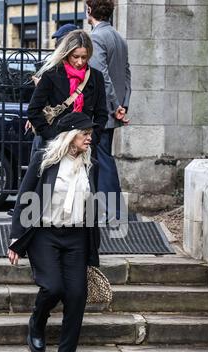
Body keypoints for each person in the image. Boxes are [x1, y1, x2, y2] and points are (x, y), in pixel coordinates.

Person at [8, 112, 100, 352]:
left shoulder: (88, 164)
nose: (89, 138)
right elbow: (25, 198)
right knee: (52, 286)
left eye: (90, 134)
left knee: (77, 295)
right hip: (45, 234)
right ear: (71, 135)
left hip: (76, 238)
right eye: (85, 133)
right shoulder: (45, 160)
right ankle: (37, 321)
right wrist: (16, 238)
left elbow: (92, 205)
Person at [27, 29, 108, 157]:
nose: (80, 62)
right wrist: (52, 137)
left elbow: (101, 113)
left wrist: (92, 139)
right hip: (56, 146)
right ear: (67, 54)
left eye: (84, 57)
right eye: (75, 57)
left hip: (84, 148)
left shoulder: (96, 77)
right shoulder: (51, 75)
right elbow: (33, 110)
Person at [86, 0, 131, 222]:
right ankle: (109, 211)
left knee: (101, 160)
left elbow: (101, 76)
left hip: (103, 110)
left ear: (89, 11)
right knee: (103, 158)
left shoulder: (95, 37)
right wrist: (123, 104)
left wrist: (115, 106)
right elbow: (127, 74)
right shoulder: (119, 38)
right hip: (114, 109)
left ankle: (113, 212)